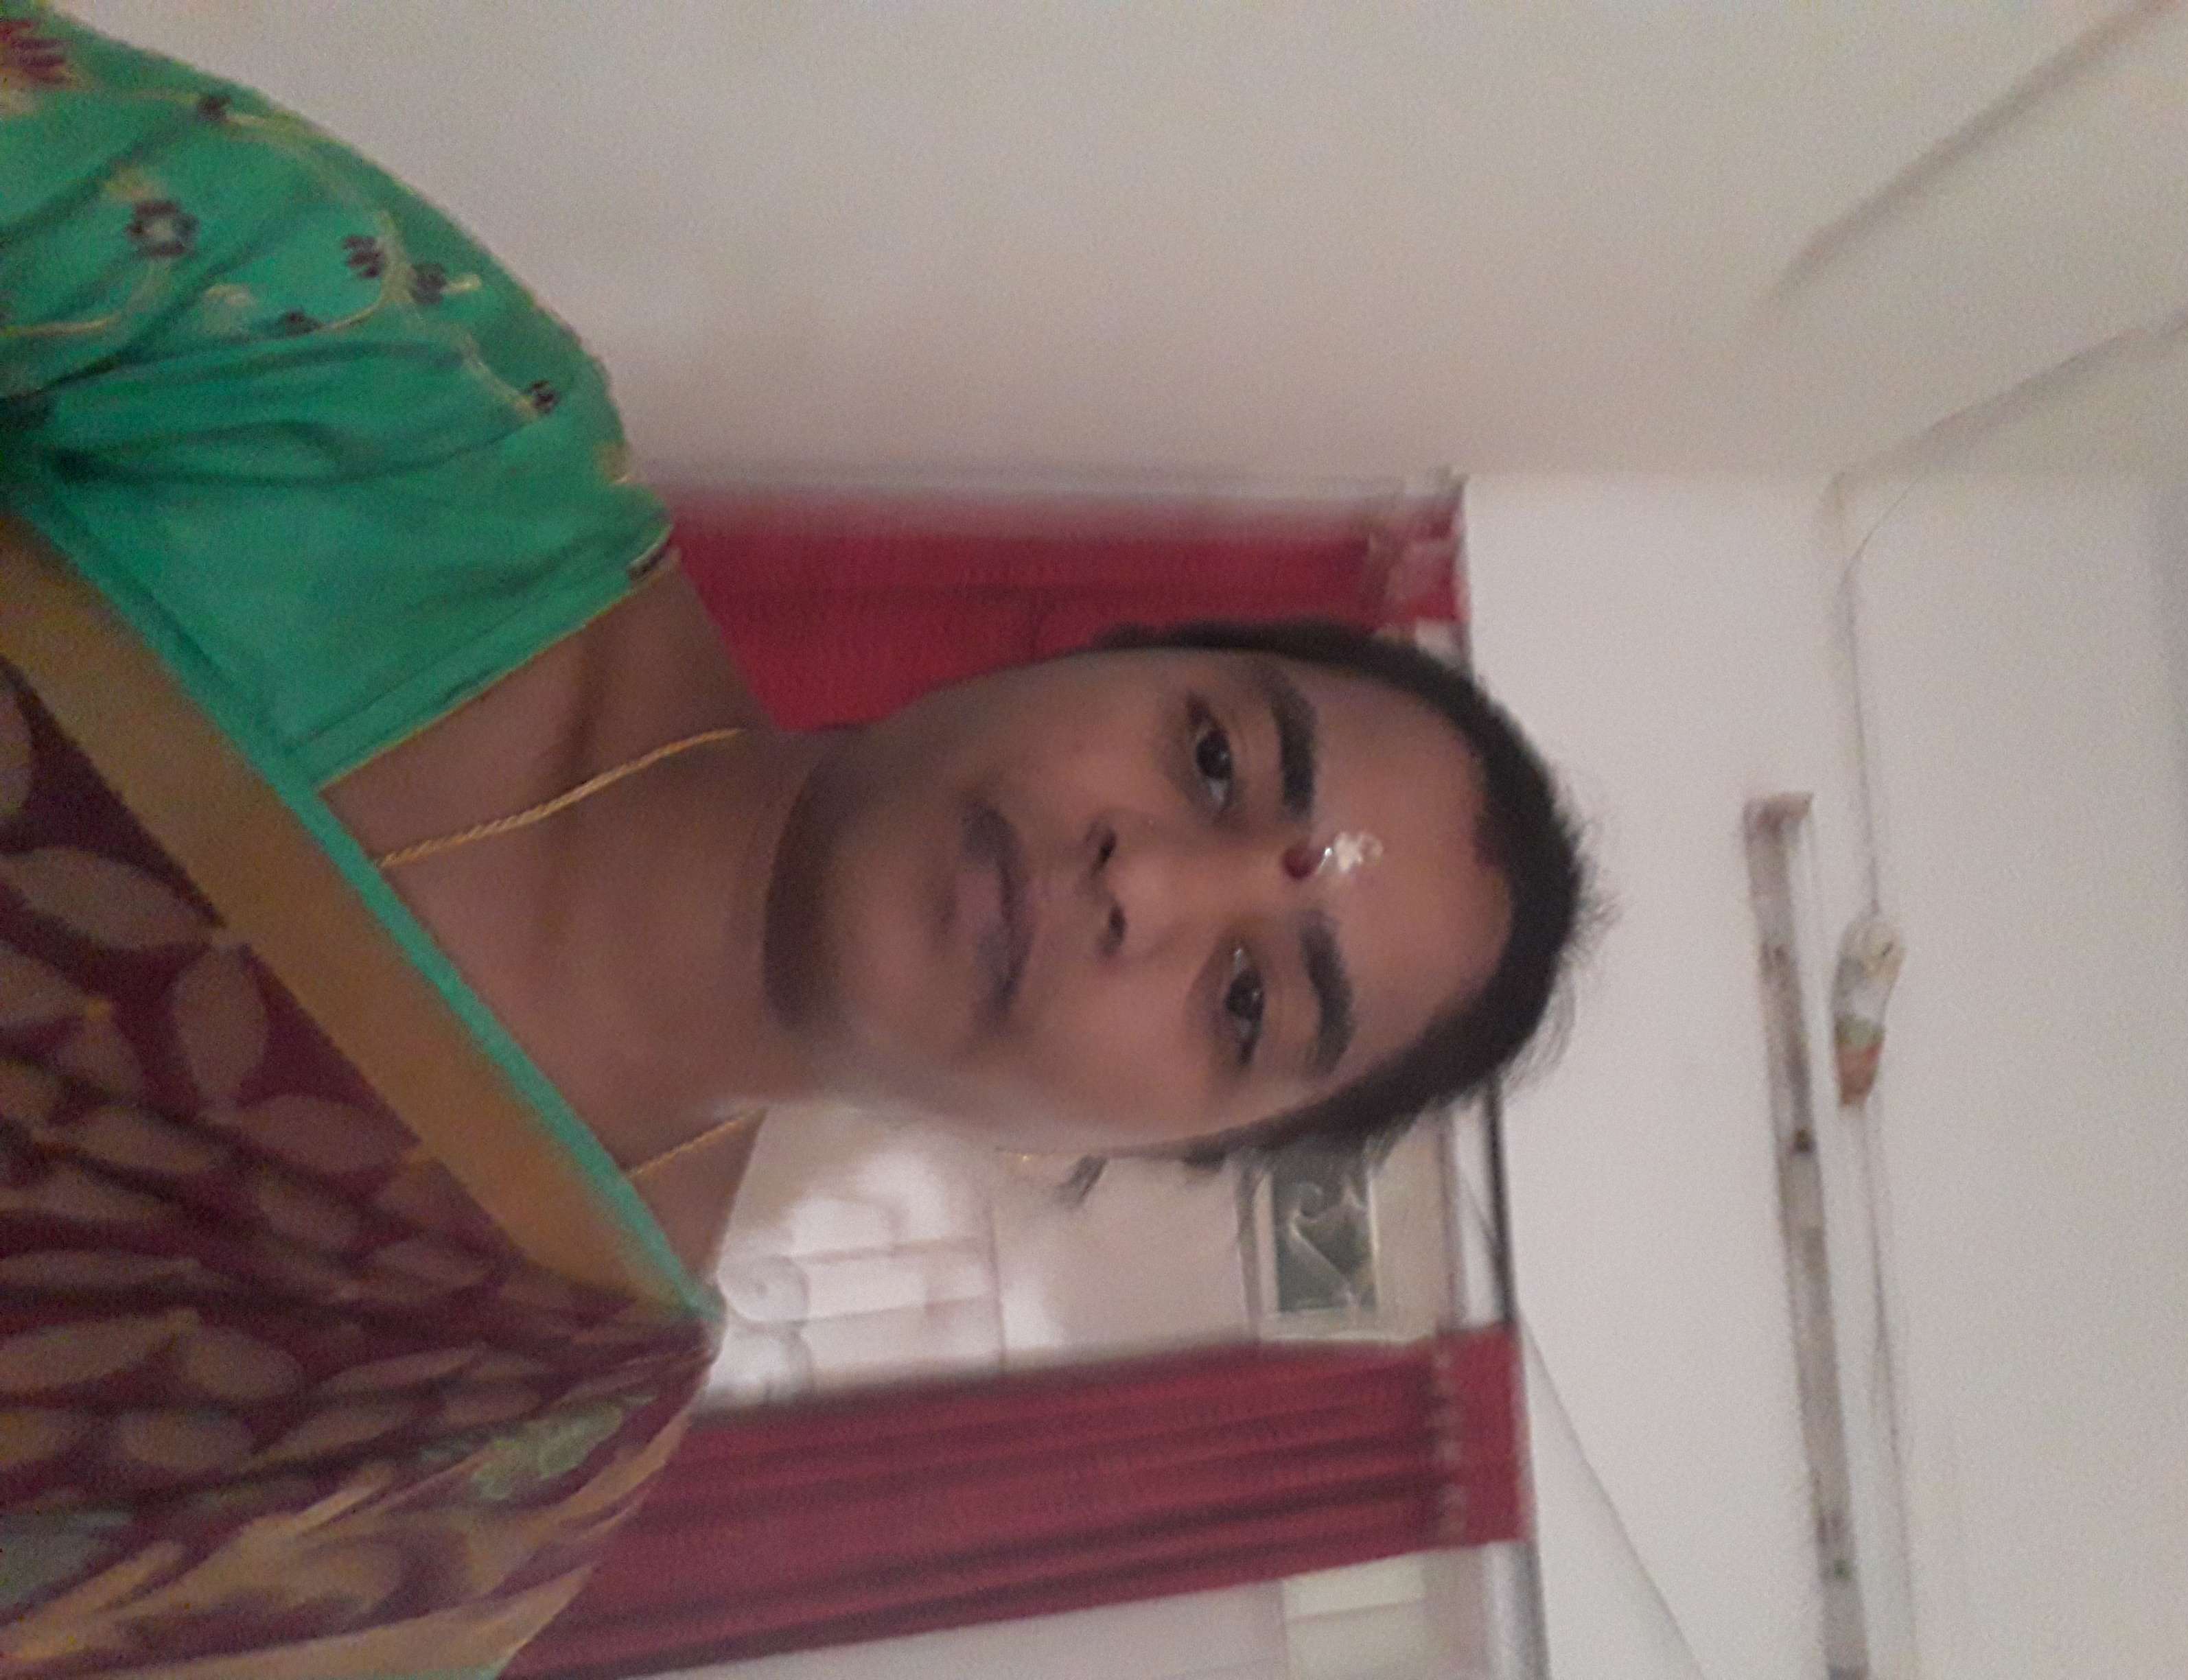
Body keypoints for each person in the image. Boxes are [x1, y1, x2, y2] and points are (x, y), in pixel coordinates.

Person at [0, 8, 1586, 1676]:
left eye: (1248, 1003)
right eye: (1212, 756)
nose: (1145, 882)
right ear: (1083, 653)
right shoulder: (418, 412)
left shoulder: (479, 1466)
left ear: (1149, 1147)